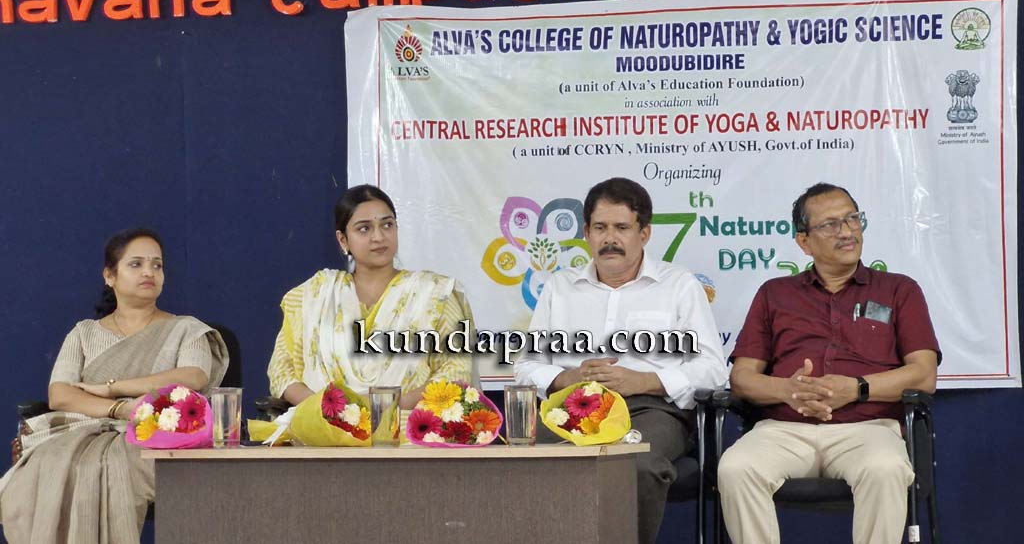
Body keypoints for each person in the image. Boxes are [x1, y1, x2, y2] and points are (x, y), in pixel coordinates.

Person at [718, 183, 941, 544]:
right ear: (804, 241)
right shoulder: (775, 294)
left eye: (852, 219)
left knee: (885, 468)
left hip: (868, 429)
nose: (847, 231)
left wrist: (856, 388)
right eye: (830, 225)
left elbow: (924, 374)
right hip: (785, 429)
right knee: (736, 467)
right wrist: (788, 390)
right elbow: (742, 378)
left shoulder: (899, 290)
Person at [514, 177, 727, 544]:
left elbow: (712, 370)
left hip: (651, 409)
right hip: (573, 408)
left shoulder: (678, 286)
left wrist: (644, 381)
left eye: (621, 228)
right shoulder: (560, 287)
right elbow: (524, 367)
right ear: (586, 233)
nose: (609, 238)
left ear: (644, 233)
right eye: (600, 228)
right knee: (516, 460)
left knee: (633, 464)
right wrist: (567, 378)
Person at [0, 228, 229, 544]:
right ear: (110, 276)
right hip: (81, 430)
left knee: (116, 466)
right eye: (136, 264)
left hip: (153, 435)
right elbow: (60, 394)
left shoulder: (187, 329)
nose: (149, 272)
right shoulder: (84, 333)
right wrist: (120, 408)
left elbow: (193, 376)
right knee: (51, 465)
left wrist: (114, 387)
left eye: (157, 265)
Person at [266, 184, 473, 414]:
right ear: (343, 240)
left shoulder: (434, 295)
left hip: (410, 424)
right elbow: (281, 370)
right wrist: (327, 409)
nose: (379, 237)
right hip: (323, 426)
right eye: (364, 229)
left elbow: (456, 369)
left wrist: (390, 407)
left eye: (387, 225)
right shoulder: (314, 296)